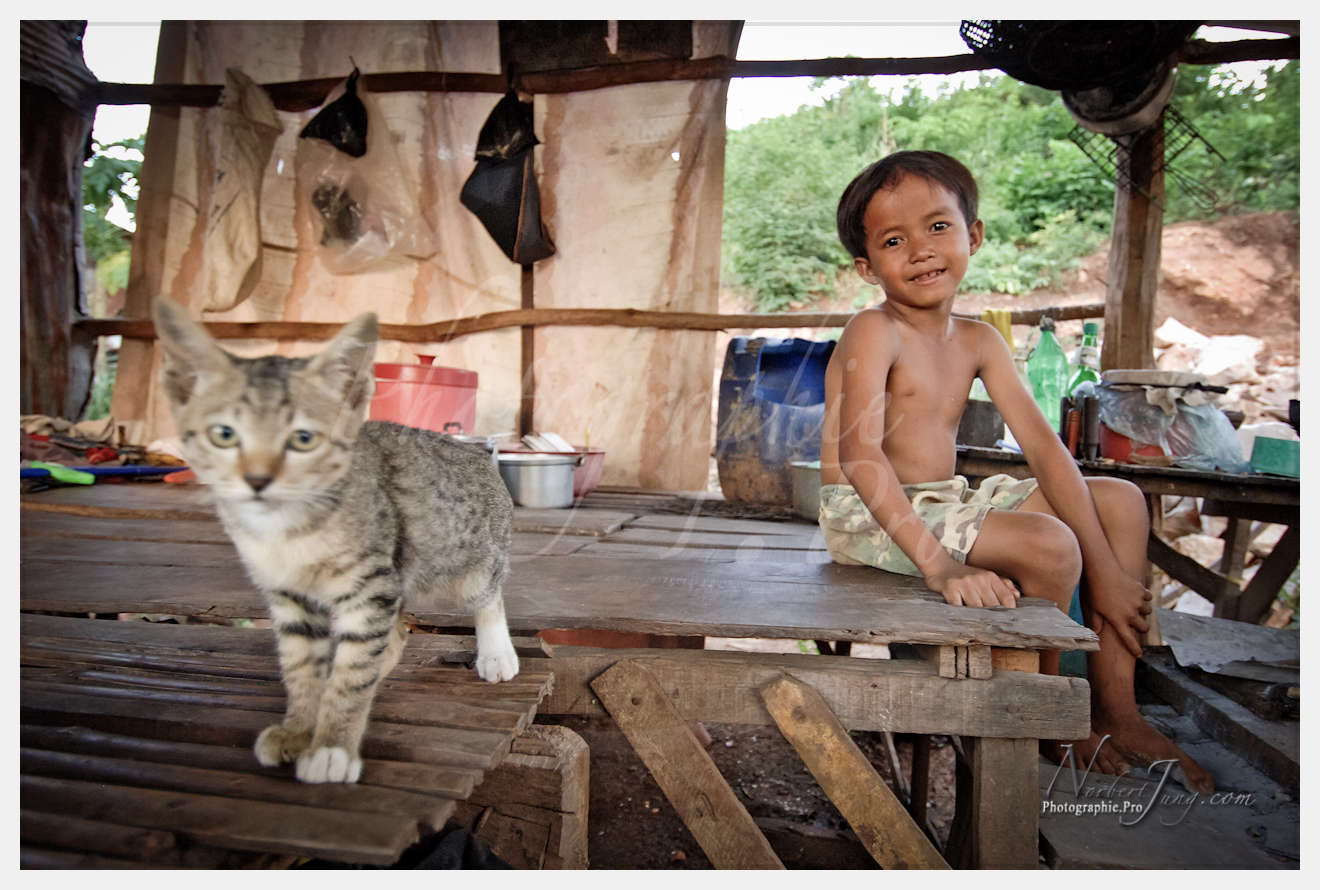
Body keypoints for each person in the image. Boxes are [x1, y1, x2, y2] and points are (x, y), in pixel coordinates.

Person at [819, 150, 1213, 793]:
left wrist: (1110, 576)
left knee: (1120, 502)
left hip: (941, 499)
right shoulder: (873, 329)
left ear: (972, 235)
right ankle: (1053, 712)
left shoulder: (980, 340)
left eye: (937, 227)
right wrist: (941, 566)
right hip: (865, 511)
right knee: (1051, 543)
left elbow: (1045, 449)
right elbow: (861, 459)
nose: (920, 250)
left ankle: (1119, 710)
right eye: (895, 240)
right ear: (868, 267)